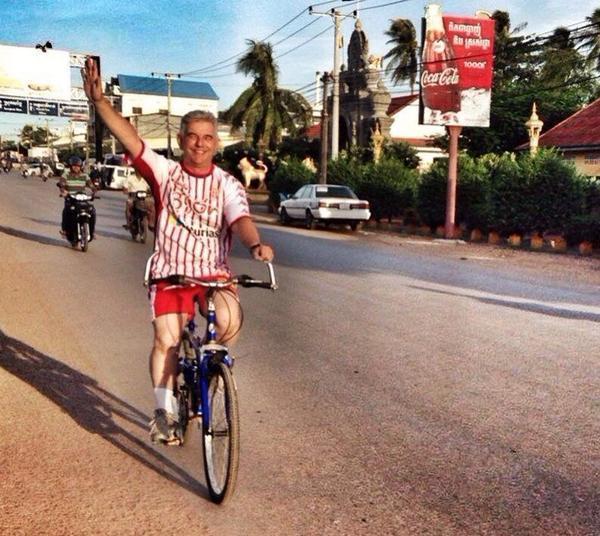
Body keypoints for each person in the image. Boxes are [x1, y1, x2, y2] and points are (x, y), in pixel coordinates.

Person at [82, 57, 274, 445]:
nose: (200, 143)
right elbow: (131, 138)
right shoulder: (165, 172)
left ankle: (209, 381)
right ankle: (164, 411)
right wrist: (101, 102)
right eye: (192, 136)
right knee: (167, 340)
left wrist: (255, 243)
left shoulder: (228, 184)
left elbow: (240, 220)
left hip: (213, 275)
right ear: (182, 138)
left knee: (229, 325)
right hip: (170, 273)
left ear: (216, 142)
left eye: (207, 137)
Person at [58, 155, 97, 239]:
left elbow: (90, 185)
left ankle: (92, 231)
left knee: (92, 211)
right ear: (71, 166)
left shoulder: (85, 176)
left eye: (78, 166)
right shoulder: (66, 175)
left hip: (82, 199)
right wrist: (63, 190)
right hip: (71, 199)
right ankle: (64, 230)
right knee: (66, 211)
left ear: (80, 167)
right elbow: (62, 184)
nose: (76, 168)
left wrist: (94, 189)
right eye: (74, 166)